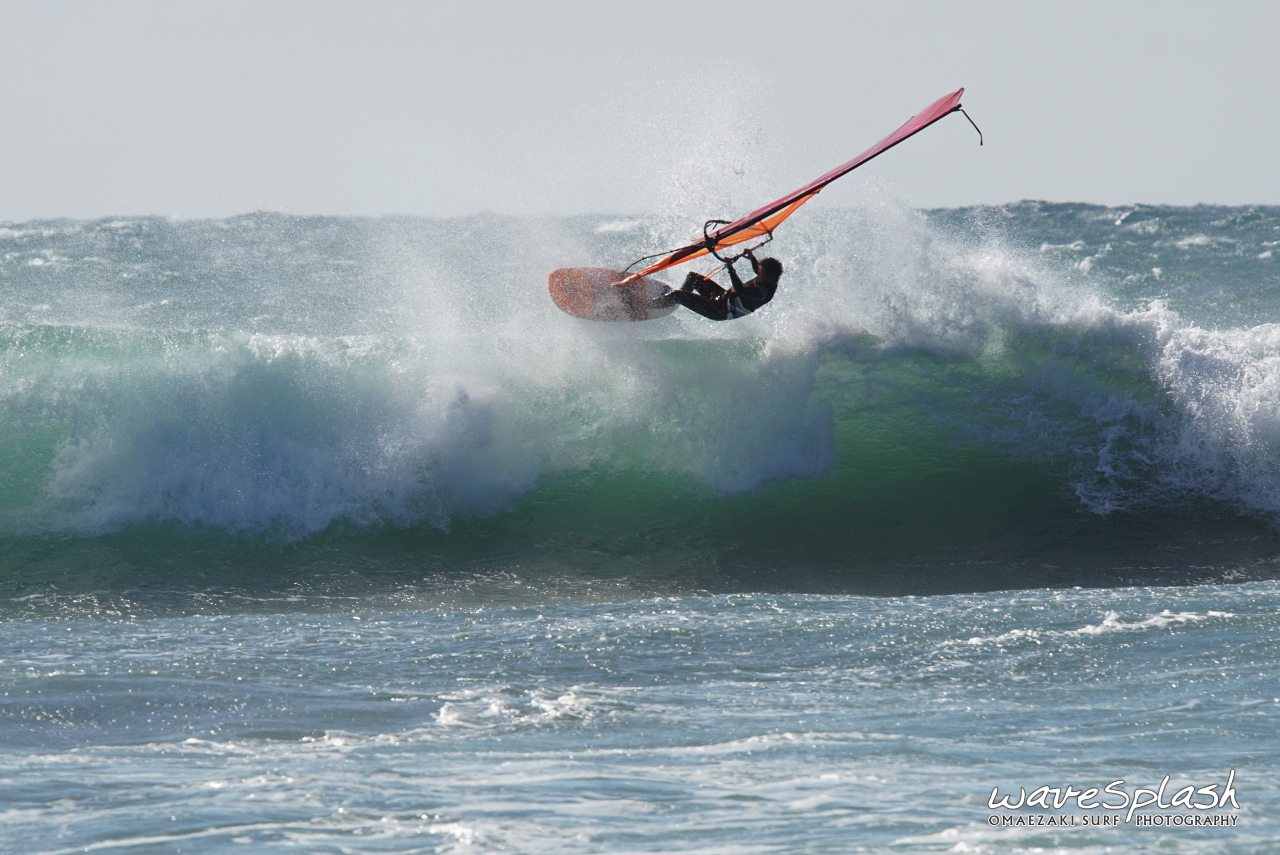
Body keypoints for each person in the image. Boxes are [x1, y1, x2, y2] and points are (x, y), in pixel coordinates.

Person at [658, 248, 783, 321]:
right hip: (722, 296)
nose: (758, 274)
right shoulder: (769, 277)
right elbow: (758, 270)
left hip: (719, 310)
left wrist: (731, 269)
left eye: (760, 273)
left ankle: (649, 305)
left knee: (678, 295)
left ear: (770, 277)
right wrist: (752, 258)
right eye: (759, 272)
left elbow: (741, 290)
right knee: (692, 277)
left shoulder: (762, 294)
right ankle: (673, 302)